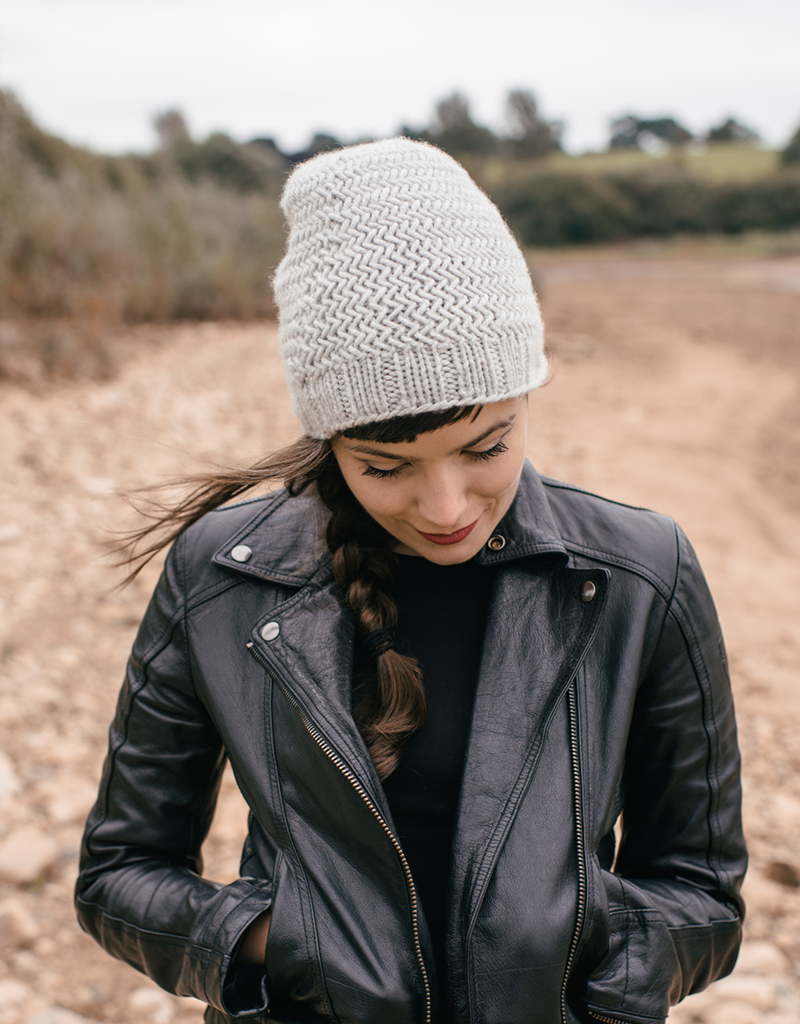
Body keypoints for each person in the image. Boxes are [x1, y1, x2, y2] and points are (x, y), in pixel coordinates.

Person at [75, 138, 746, 1024]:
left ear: (527, 399)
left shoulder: (641, 572)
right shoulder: (219, 577)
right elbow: (119, 875)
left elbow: (703, 893)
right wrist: (282, 944)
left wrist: (585, 945)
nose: (444, 506)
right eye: (385, 465)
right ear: (329, 438)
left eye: (486, 447)